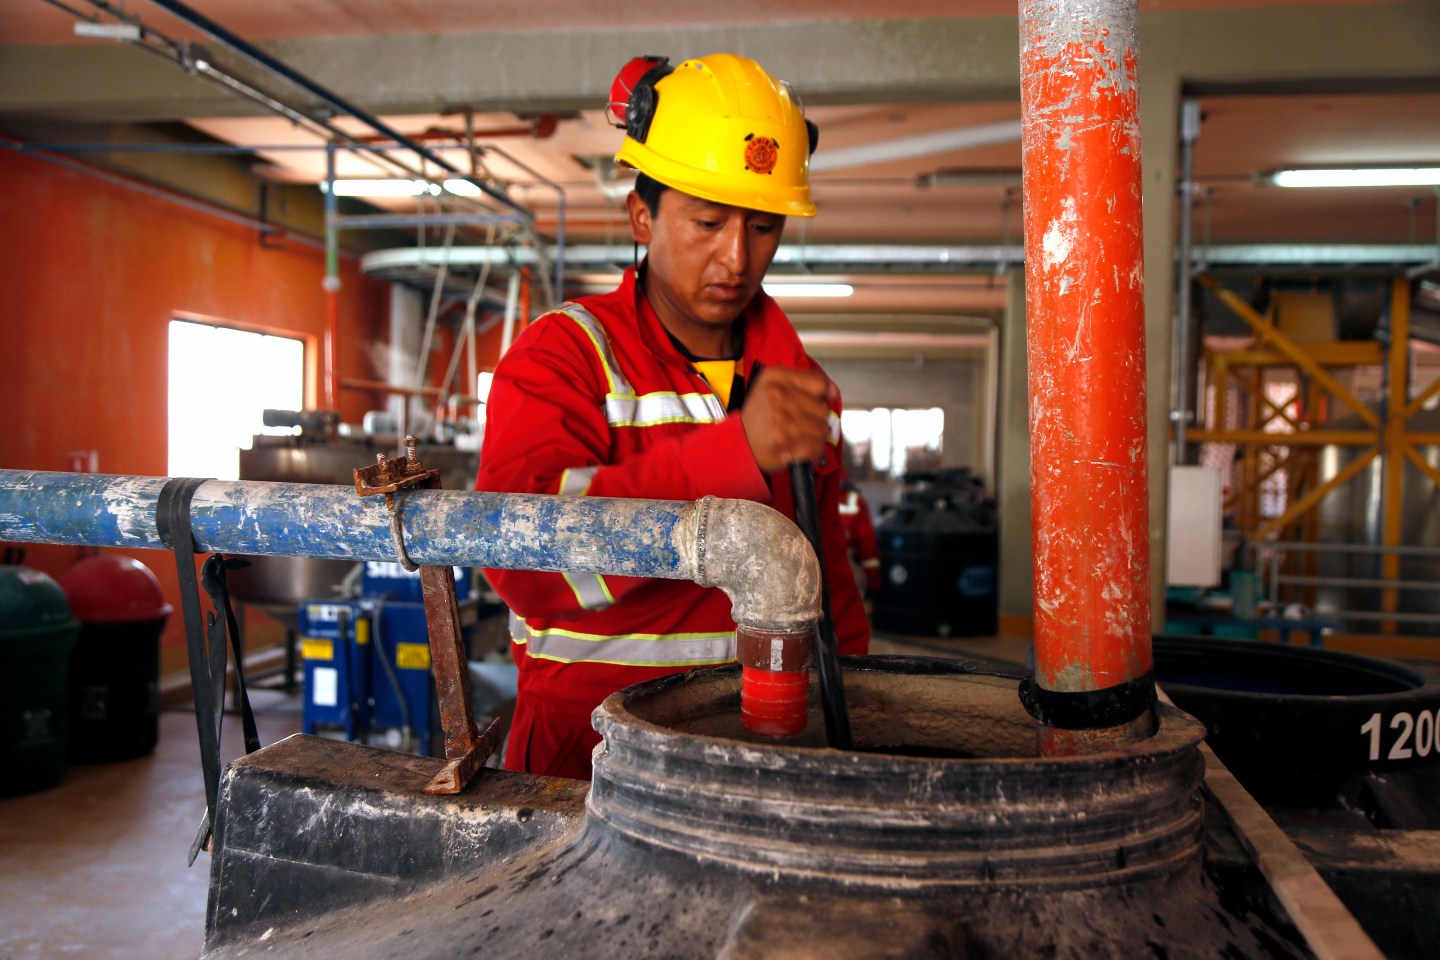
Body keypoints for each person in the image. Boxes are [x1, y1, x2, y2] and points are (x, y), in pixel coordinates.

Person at [476, 52, 870, 780]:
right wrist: (733, 454)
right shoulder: (564, 356)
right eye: (708, 222)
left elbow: (827, 582)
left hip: (760, 752)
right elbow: (520, 561)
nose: (737, 257)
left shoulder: (800, 384)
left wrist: (850, 719)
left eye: (764, 227)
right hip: (588, 758)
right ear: (642, 215)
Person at [838, 479, 881, 609]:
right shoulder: (855, 502)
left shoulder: (807, 493)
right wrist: (873, 583)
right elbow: (867, 547)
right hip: (846, 571)